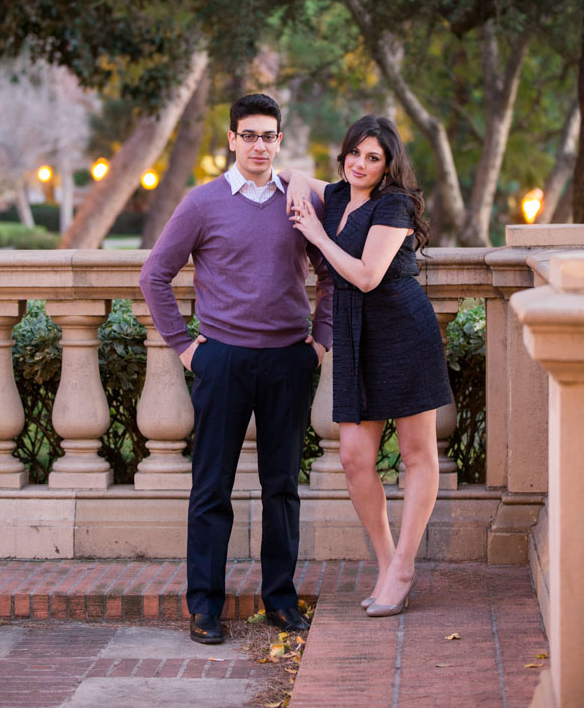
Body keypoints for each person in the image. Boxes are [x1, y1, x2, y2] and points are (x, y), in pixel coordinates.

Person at [139, 93, 333, 644]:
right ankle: (203, 606)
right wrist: (185, 346)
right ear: (231, 139)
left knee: (282, 487)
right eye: (248, 134)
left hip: (288, 360)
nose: (258, 144)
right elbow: (155, 275)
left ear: (279, 141)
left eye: (268, 135)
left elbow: (331, 277)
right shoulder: (203, 203)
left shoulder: (298, 204)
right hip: (221, 360)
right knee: (211, 487)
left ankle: (280, 600)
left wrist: (319, 343)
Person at [284, 114, 452, 617]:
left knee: (417, 454)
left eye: (373, 157)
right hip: (357, 337)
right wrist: (295, 178)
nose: (360, 163)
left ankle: (403, 566)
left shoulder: (394, 204)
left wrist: (314, 232)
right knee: (355, 458)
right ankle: (387, 564)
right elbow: (292, 175)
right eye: (354, 152)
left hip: (403, 330)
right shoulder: (336, 194)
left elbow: (365, 275)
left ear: (387, 165)